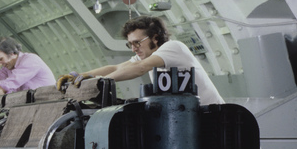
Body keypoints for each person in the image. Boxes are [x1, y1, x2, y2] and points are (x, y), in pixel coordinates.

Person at [57, 15, 224, 105]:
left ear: (156, 38)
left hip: (212, 115)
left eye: (137, 43)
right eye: (130, 44)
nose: (133, 48)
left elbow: (141, 68)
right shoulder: (148, 54)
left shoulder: (174, 47)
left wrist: (99, 81)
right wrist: (83, 75)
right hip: (189, 116)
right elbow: (116, 68)